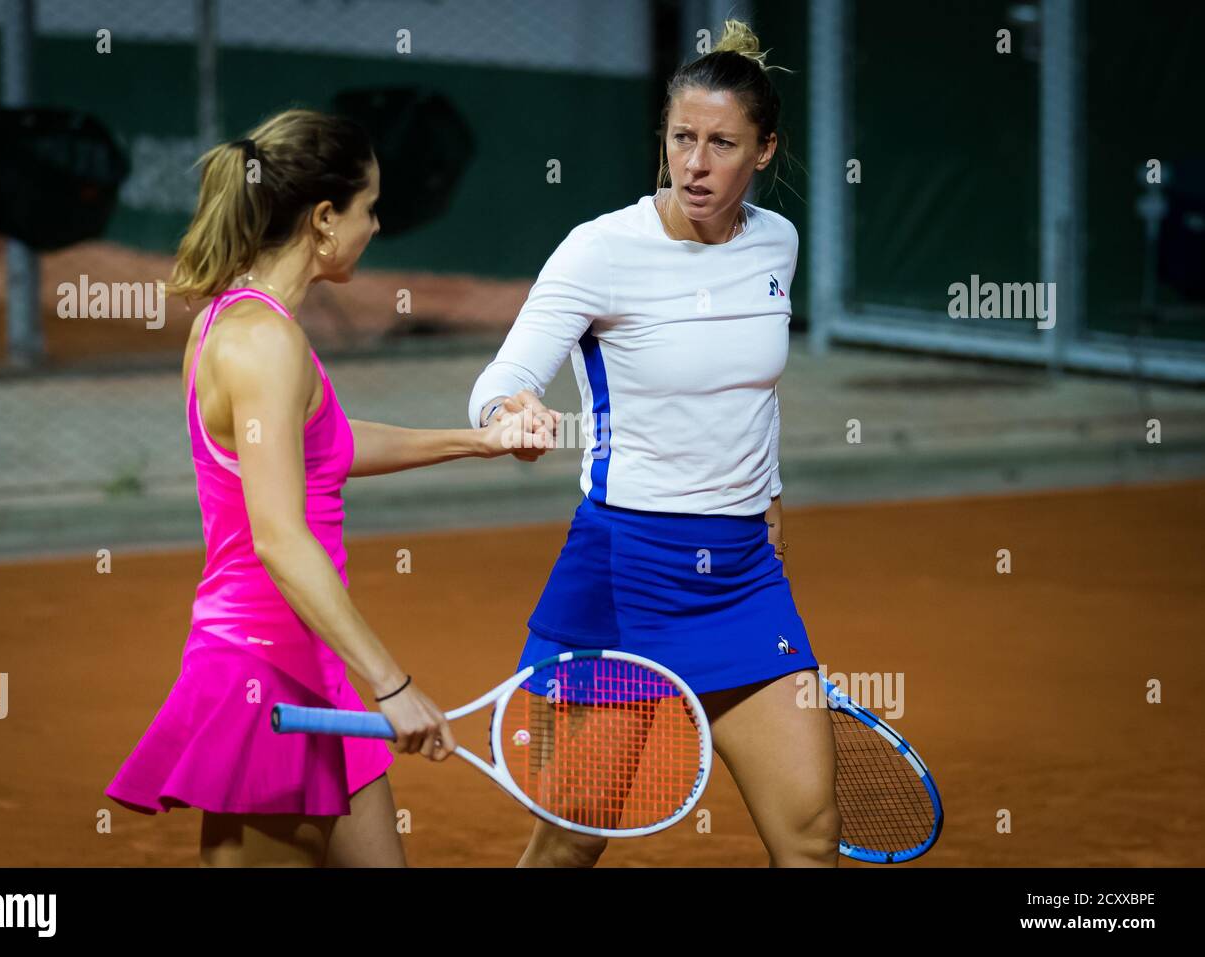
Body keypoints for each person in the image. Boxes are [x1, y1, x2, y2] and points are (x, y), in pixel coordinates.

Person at [106, 108, 552, 867]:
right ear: (322, 219)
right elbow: (279, 535)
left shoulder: (248, 323)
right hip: (259, 679)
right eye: (367, 209)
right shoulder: (263, 342)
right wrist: (393, 682)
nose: (375, 227)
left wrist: (475, 440)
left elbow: (326, 448)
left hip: (306, 667)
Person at [469, 20, 841, 867]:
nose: (697, 163)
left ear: (765, 151)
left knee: (812, 839)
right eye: (682, 139)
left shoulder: (777, 242)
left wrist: (768, 488)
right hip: (624, 569)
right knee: (571, 841)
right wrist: (512, 413)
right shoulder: (601, 250)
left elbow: (750, 387)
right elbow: (503, 376)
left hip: (745, 573)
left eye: (722, 144)